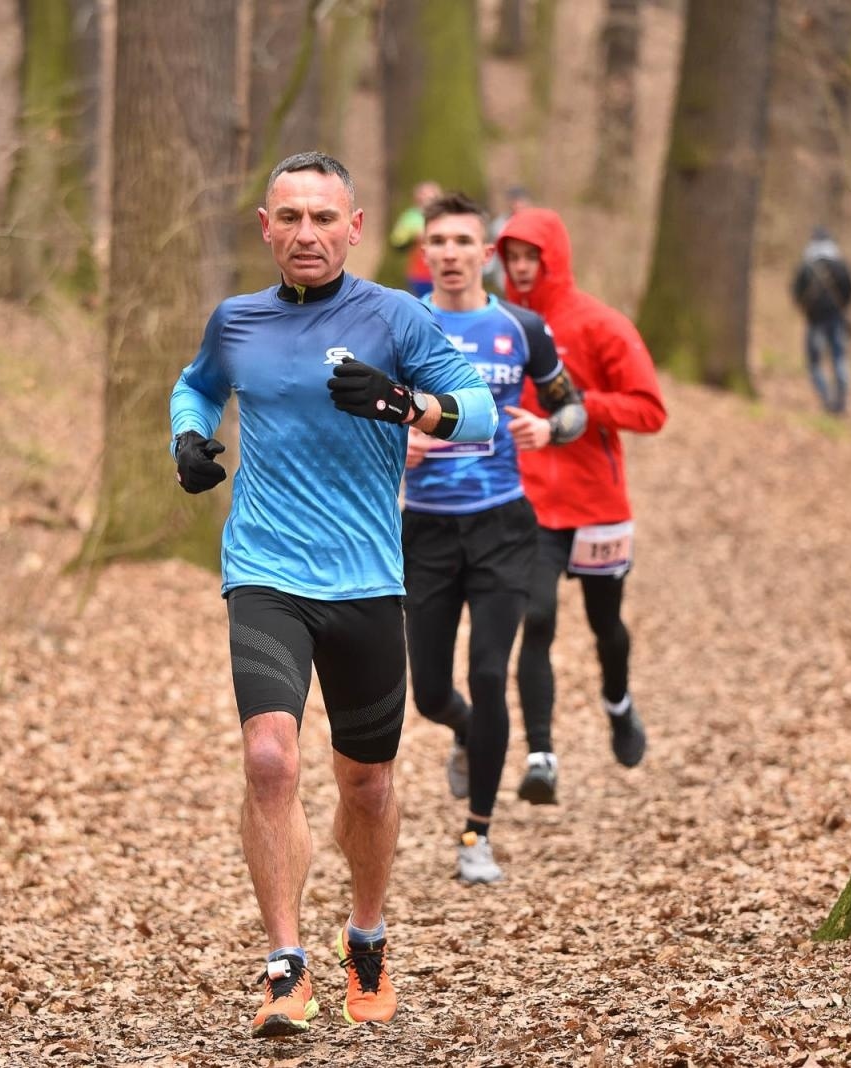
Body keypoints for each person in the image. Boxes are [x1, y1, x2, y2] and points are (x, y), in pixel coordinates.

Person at [170, 151, 497, 1038]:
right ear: (265, 228)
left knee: (368, 781)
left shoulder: (398, 316)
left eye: (325, 218)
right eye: (290, 217)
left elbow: (482, 415)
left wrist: (404, 405)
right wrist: (190, 439)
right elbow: (195, 385)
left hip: (365, 579)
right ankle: (285, 967)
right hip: (266, 571)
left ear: (355, 228)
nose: (306, 233)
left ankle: (368, 936)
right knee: (271, 762)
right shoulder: (237, 321)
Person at [403, 193, 586, 884]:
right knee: (429, 693)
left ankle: (476, 834)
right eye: (438, 242)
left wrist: (549, 429)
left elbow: (570, 406)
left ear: (486, 254)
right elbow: (365, 411)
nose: (450, 254)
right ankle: (462, 731)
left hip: (504, 527)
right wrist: (399, 441)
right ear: (426, 253)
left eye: (463, 242)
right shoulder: (402, 324)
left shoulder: (523, 326)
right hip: (424, 527)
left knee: (488, 673)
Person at [495, 207, 667, 806]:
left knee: (606, 627)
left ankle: (618, 704)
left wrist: (581, 407)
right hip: (530, 505)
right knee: (535, 618)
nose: (519, 269)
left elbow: (650, 410)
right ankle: (541, 756)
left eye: (529, 258)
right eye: (511, 258)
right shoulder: (500, 325)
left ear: (553, 258)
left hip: (596, 504)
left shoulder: (600, 325)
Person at [791, 226, 851, 415]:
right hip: (836, 319)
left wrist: (805, 308)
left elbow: (796, 291)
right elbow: (849, 290)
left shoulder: (806, 266)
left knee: (815, 363)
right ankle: (841, 401)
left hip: (814, 321)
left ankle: (827, 398)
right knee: (839, 358)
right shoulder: (840, 265)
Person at [387, 180, 443, 296]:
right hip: (419, 274)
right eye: (423, 195)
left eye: (430, 196)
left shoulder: (445, 216)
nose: (426, 200)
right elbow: (396, 243)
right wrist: (414, 237)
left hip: (443, 271)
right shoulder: (410, 217)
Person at [482, 184, 533, 292]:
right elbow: (492, 251)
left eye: (521, 201)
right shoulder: (499, 225)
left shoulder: (535, 224)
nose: (518, 205)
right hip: (504, 279)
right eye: (515, 201)